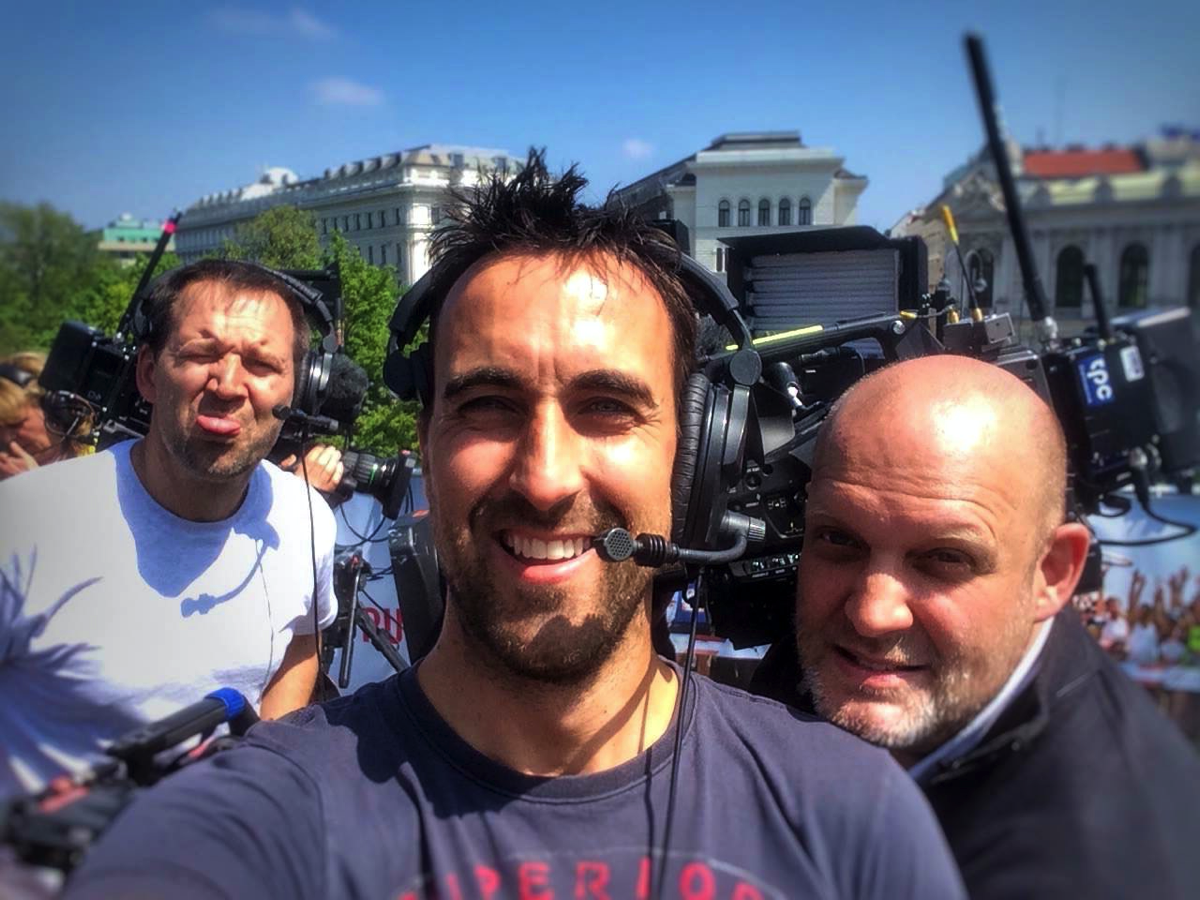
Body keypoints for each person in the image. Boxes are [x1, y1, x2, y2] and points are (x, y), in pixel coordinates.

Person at [63, 154, 965, 899]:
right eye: (489, 404)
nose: (543, 478)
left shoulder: (852, 818)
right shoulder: (241, 827)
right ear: (425, 439)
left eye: (607, 408)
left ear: (696, 456)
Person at [751, 355, 1200, 899]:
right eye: (839, 539)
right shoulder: (841, 658)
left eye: (945, 558)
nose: (871, 613)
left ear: (1052, 573)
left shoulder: (1106, 866)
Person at [0, 259, 336, 801]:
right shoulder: (24, 523)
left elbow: (302, 640)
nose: (228, 385)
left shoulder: (306, 518)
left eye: (261, 364)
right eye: (201, 355)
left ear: (300, 392)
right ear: (148, 374)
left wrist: (268, 769)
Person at [0, 351, 92, 479]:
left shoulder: (105, 459)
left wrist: (34, 483)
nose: (5, 439)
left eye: (14, 424)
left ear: (55, 409)